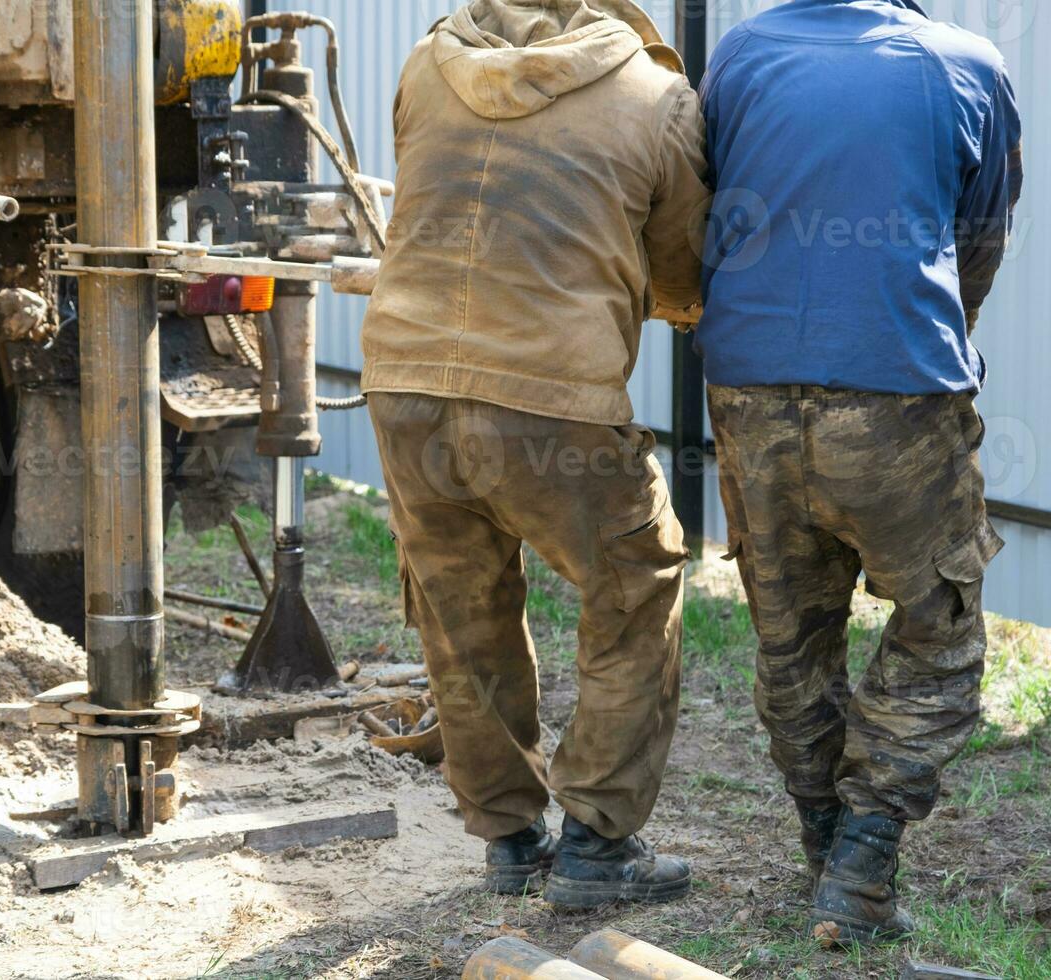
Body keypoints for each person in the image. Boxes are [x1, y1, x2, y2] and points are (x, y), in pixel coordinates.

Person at [361, 0, 709, 904]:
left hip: (404, 382)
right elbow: (682, 274)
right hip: (553, 398)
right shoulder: (658, 95)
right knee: (638, 578)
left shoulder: (424, 67)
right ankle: (597, 842)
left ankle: (510, 840)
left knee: (460, 605)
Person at [697, 0, 1022, 945]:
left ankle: (824, 847)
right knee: (940, 626)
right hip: (897, 389)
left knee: (791, 633)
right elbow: (981, 236)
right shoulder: (966, 62)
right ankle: (862, 861)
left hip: (748, 383)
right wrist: (919, 337)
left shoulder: (743, 52)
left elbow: (702, 201)